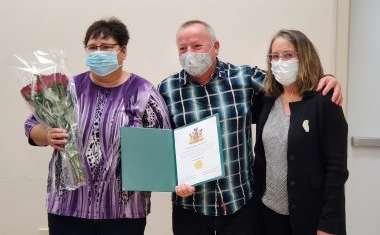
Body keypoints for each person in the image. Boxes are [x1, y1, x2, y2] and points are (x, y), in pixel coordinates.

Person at [157, 20, 343, 235]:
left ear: (215, 47)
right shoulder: (166, 89)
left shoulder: (244, 78)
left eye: (196, 46)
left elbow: (289, 82)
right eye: (182, 48)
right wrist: (174, 180)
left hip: (240, 206)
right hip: (191, 209)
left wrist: (327, 79)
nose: (189, 53)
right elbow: (162, 147)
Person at [24, 17, 171, 235]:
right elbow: (31, 125)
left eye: (106, 47)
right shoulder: (69, 88)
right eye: (92, 48)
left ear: (123, 51)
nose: (98, 52)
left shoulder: (144, 92)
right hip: (67, 207)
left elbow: (163, 144)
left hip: (123, 211)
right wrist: (46, 135)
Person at [252, 29, 348, 235]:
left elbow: (336, 170)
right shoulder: (267, 100)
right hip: (269, 214)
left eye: (288, 55)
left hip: (311, 217)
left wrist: (328, 225)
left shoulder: (324, 102)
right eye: (274, 56)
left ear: (304, 57)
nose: (280, 62)